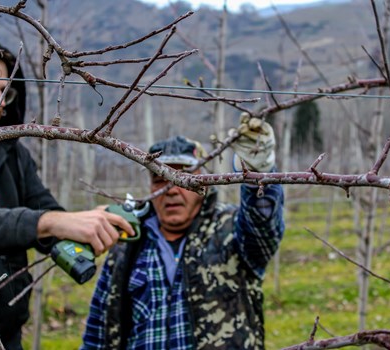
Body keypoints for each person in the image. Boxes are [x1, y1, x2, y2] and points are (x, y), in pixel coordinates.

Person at [0, 29, 135, 349]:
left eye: (6, 92)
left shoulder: (9, 153)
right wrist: (46, 223)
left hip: (6, 336)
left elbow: (45, 209)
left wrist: (87, 223)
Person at [81, 114, 285, 349]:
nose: (171, 190)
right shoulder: (126, 241)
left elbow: (263, 229)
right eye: (160, 179)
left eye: (184, 177)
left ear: (204, 183)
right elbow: (98, 332)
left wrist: (259, 173)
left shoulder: (230, 228)